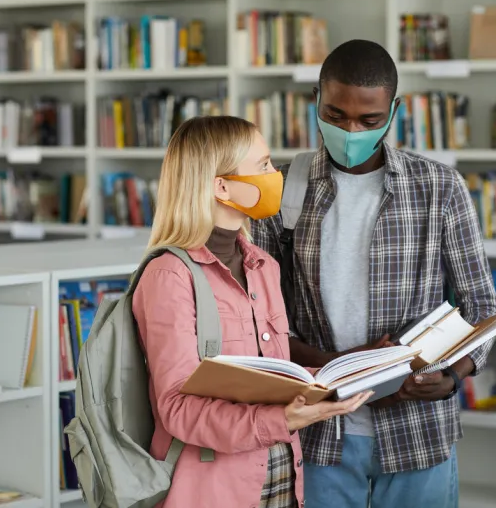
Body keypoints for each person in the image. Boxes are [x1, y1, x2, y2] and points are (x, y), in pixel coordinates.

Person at [251, 39, 496, 508]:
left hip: (418, 432)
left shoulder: (439, 188)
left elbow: (483, 308)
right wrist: (343, 371)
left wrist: (453, 375)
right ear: (315, 101)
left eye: (369, 121)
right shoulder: (280, 190)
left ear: (394, 110)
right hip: (318, 431)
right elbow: (261, 324)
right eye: (335, 115)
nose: (351, 131)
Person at [132, 115, 373, 508]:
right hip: (212, 491)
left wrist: (334, 378)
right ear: (222, 186)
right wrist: (284, 420)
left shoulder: (264, 266)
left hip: (282, 482)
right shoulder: (169, 276)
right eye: (262, 167)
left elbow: (272, 377)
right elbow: (176, 408)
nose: (275, 176)